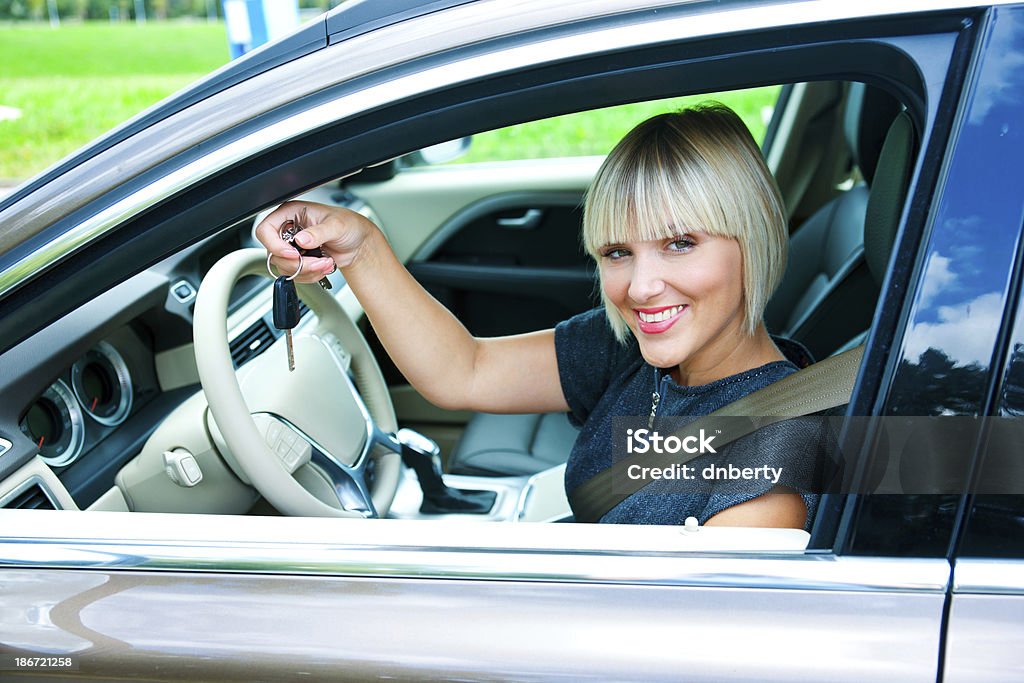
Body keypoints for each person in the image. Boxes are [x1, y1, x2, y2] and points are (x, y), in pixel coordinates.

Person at [258, 103, 822, 529]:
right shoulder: (629, 349)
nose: (641, 289)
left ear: (753, 241)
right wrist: (360, 248)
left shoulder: (767, 472)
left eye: (679, 244)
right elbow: (466, 370)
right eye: (617, 253)